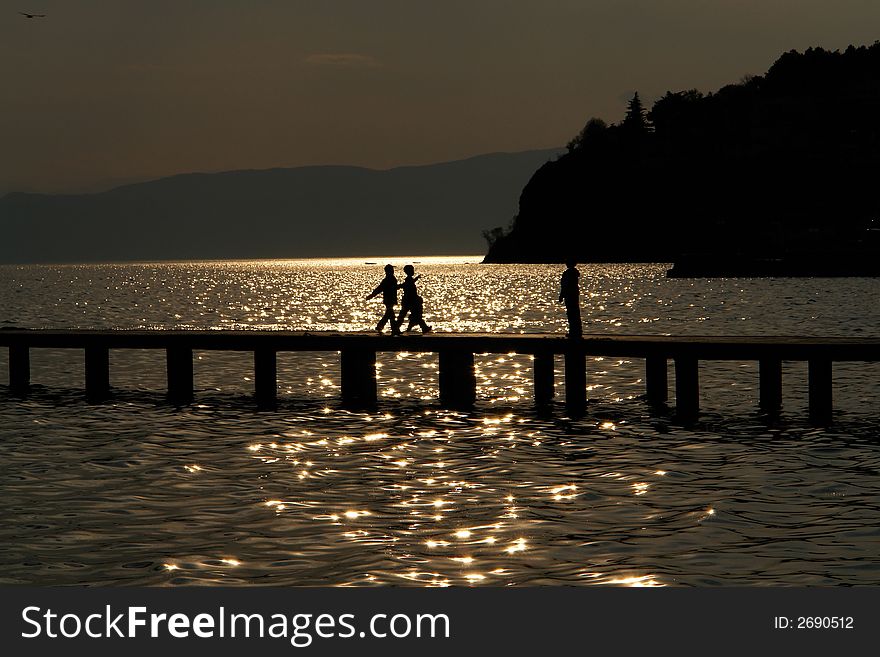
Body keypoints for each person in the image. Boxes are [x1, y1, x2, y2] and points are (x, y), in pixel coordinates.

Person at [395, 265, 432, 333]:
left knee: (413, 315)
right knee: (407, 315)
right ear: (408, 271)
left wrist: (416, 278)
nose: (413, 271)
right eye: (412, 270)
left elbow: (408, 283)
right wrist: (399, 286)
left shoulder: (409, 279)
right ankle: (396, 328)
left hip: (409, 300)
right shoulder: (408, 279)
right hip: (409, 300)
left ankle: (423, 328)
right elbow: (407, 285)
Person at [366, 264, 402, 335]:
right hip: (389, 299)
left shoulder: (390, 279)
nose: (393, 271)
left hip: (390, 299)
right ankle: (393, 329)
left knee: (389, 314)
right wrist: (372, 295)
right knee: (391, 315)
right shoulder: (387, 280)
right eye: (391, 270)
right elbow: (380, 288)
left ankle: (381, 326)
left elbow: (391, 287)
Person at [559, 259, 582, 337]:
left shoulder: (567, 273)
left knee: (571, 313)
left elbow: (565, 286)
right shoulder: (575, 273)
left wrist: (561, 295)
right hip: (574, 294)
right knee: (575, 313)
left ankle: (574, 332)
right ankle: (577, 331)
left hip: (569, 295)